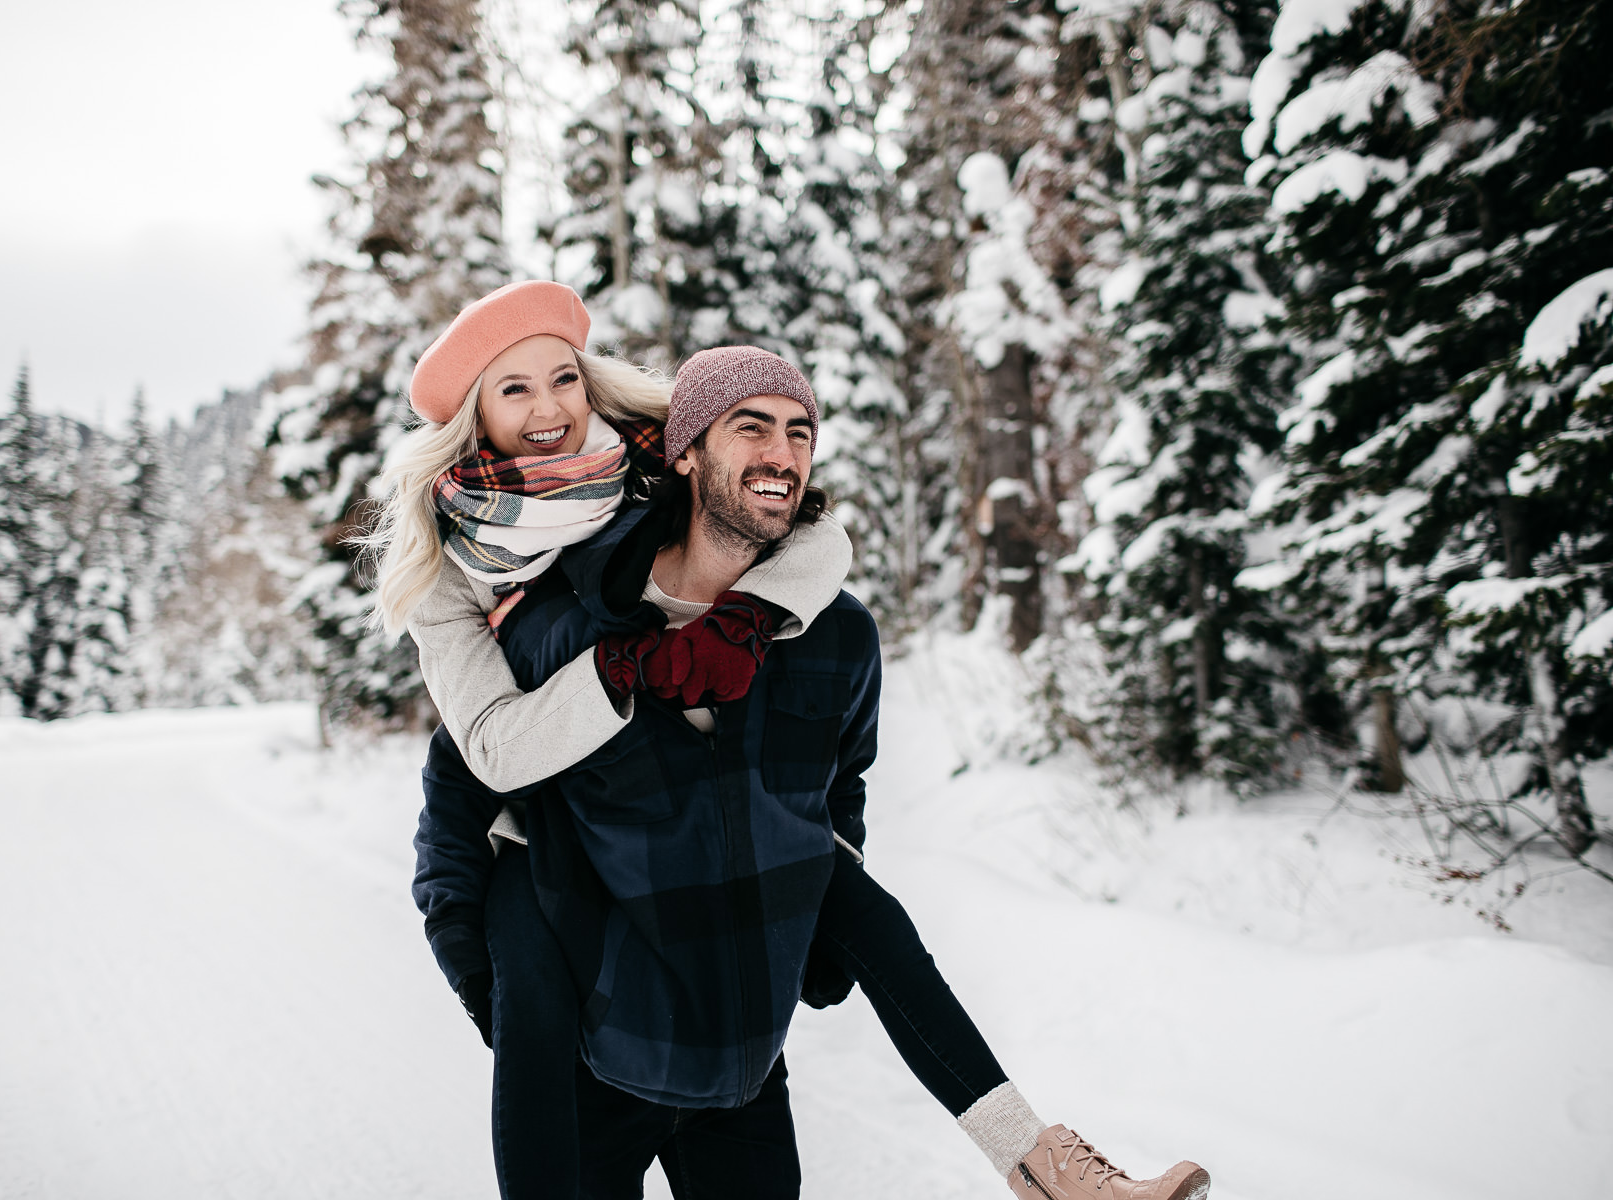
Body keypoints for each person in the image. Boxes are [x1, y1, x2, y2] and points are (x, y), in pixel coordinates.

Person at [373, 281, 1211, 1200]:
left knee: (845, 886)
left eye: (561, 380)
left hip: (732, 1018)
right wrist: (480, 966)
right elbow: (468, 769)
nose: (549, 410)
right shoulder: (524, 604)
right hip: (581, 984)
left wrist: (756, 620)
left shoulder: (666, 516)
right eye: (513, 389)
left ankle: (1040, 1163)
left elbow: (812, 575)